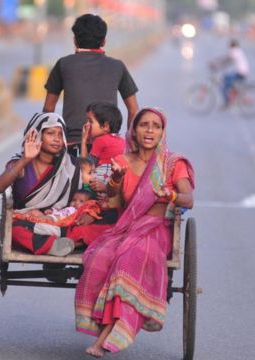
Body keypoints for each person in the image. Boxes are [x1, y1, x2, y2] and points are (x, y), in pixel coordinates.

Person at [74, 108, 195, 358]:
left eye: (156, 126)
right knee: (100, 257)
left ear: (162, 132)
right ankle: (102, 328)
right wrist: (115, 181)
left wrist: (170, 195)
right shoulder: (122, 161)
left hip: (156, 230)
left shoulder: (173, 163)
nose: (150, 130)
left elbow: (188, 199)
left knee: (127, 261)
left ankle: (106, 338)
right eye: (144, 125)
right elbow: (115, 201)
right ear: (134, 130)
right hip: (126, 228)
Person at [43, 13, 139, 156]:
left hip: (72, 145)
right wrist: (131, 145)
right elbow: (133, 110)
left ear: (75, 41)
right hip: (108, 147)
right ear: (104, 41)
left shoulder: (63, 64)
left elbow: (49, 108)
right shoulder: (117, 66)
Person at [0, 112, 83, 256]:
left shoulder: (71, 165)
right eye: (51, 133)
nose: (57, 139)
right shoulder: (19, 163)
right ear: (37, 135)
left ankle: (56, 242)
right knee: (14, 230)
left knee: (91, 227)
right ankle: (53, 246)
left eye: (60, 134)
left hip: (59, 222)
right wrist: (25, 160)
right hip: (29, 224)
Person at [80, 101, 126, 190]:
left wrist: (83, 140)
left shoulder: (100, 141)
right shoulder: (122, 140)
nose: (86, 125)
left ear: (105, 126)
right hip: (115, 188)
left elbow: (86, 165)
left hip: (98, 186)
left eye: (90, 121)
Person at [210, 39, 249, 109]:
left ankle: (227, 102)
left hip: (240, 73)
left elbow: (227, 60)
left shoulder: (235, 51)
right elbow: (226, 59)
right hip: (240, 72)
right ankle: (233, 92)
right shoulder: (238, 51)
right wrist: (218, 63)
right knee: (226, 78)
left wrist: (217, 65)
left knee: (224, 86)